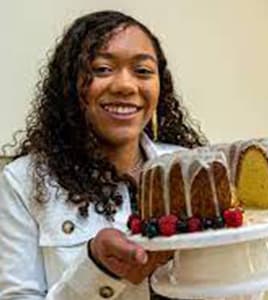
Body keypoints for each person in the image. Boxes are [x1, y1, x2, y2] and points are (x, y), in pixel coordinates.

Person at [0, 10, 209, 300]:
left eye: (143, 71)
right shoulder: (23, 182)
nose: (125, 85)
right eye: (101, 69)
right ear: (70, 84)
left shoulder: (189, 169)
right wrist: (98, 270)